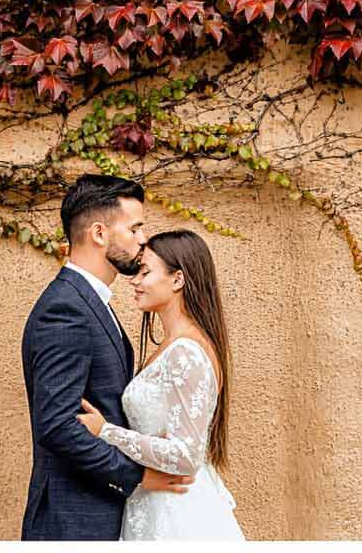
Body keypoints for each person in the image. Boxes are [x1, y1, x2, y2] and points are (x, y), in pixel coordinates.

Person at [20, 175, 192, 539]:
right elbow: (58, 425)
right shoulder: (65, 309)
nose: (143, 239)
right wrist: (138, 475)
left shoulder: (89, 302)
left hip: (97, 515)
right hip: (73, 523)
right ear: (99, 233)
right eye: (135, 228)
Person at [77, 229, 243, 540]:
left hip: (177, 513)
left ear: (178, 279)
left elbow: (186, 456)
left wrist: (106, 432)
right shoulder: (172, 345)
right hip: (153, 503)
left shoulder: (186, 352)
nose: (134, 281)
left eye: (145, 272)